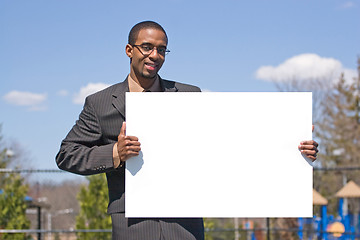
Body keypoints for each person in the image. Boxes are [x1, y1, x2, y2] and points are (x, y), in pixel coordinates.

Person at [56, 21, 319, 240]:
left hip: (185, 225)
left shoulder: (189, 95)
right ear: (129, 50)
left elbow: (229, 144)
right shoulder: (100, 103)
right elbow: (66, 154)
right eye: (147, 47)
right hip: (132, 225)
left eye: (161, 50)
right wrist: (115, 153)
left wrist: (292, 147)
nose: (154, 55)